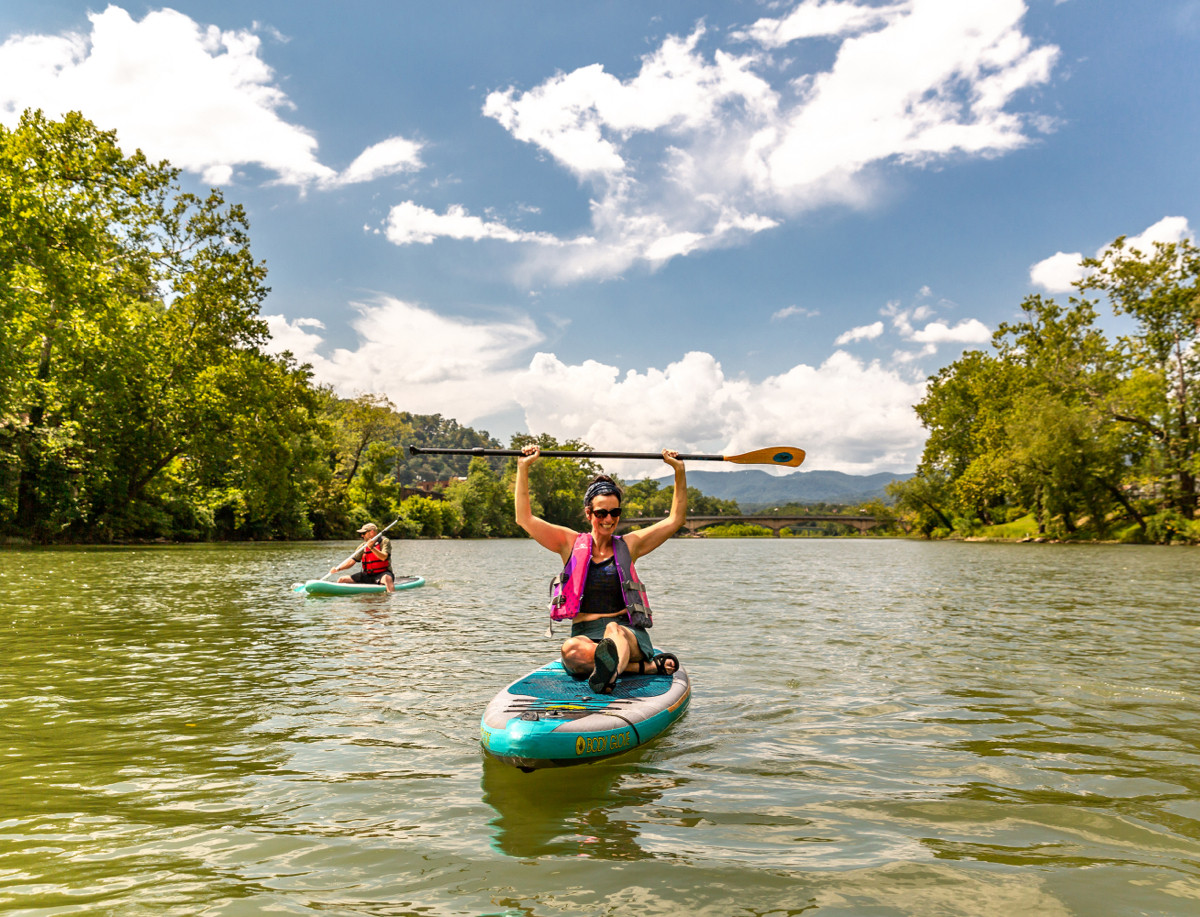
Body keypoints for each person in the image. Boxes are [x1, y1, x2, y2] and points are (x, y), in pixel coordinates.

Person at [515, 444, 687, 694]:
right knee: (571, 651)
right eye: (602, 512)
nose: (609, 519)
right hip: (586, 634)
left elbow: (675, 520)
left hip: (627, 633)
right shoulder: (569, 544)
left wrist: (678, 471)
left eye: (615, 512)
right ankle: (644, 668)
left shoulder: (631, 545)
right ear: (589, 514)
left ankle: (610, 670)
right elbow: (524, 519)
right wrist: (523, 468)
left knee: (612, 631)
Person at [332, 522, 396, 593]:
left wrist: (372, 548)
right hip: (367, 575)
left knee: (387, 578)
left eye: (364, 533)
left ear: (371, 532)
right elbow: (351, 561)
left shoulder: (384, 541)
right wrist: (338, 569)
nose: (362, 535)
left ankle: (390, 600)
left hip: (382, 574)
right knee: (342, 580)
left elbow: (383, 557)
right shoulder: (363, 546)